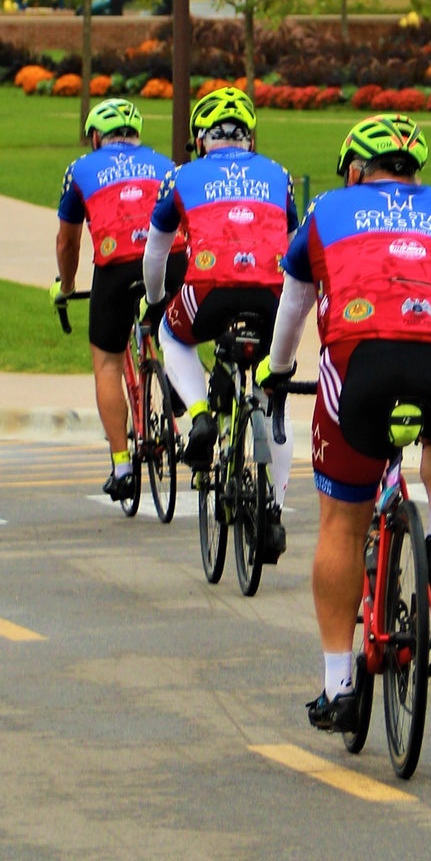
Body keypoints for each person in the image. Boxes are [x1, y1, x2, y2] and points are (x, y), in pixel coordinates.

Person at [258, 113, 431, 733]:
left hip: (362, 362)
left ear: (356, 170)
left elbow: (294, 305)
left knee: (341, 517)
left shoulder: (328, 209)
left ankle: (338, 686)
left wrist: (277, 372)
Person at [142, 85, 298, 556]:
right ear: (250, 139)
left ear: (200, 139)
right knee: (273, 401)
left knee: (171, 335)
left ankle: (200, 416)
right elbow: (295, 249)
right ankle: (272, 511)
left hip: (208, 289)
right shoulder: (279, 175)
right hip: (273, 292)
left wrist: (154, 302)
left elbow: (155, 253)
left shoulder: (182, 176)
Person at [53, 97, 186, 506]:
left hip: (115, 267)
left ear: (96, 137)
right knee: (176, 337)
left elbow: (68, 240)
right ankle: (178, 382)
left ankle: (123, 465)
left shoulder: (81, 169)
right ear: (137, 134)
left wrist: (67, 285)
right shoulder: (167, 165)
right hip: (170, 261)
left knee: (108, 362)